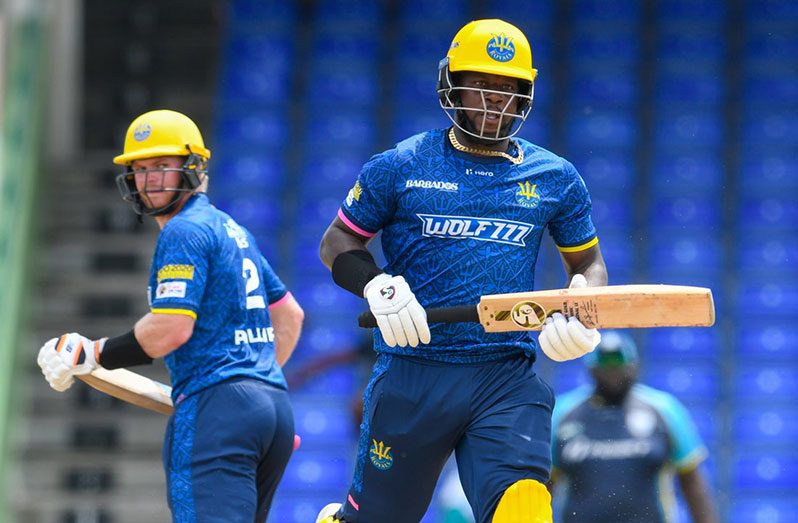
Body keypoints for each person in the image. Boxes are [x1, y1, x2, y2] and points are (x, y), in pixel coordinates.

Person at [316, 19, 608, 523]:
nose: (496, 98)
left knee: (525, 511)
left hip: (505, 376)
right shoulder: (399, 164)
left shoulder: (555, 177)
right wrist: (376, 284)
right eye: (482, 84)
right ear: (451, 83)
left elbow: (588, 263)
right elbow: (337, 242)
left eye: (509, 87)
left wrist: (584, 312)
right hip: (412, 373)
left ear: (525, 96)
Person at [37, 109, 304, 522]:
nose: (151, 179)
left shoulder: (183, 231)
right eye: (141, 169)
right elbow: (289, 315)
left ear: (192, 167)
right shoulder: (231, 228)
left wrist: (93, 352)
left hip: (216, 410)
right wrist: (256, 381)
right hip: (272, 410)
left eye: (163, 165)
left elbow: (172, 328)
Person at [549, 331, 718, 523]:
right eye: (606, 366)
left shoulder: (665, 410)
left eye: (619, 365)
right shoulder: (562, 413)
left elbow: (692, 482)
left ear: (635, 366)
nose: (613, 373)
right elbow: (545, 484)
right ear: (591, 369)